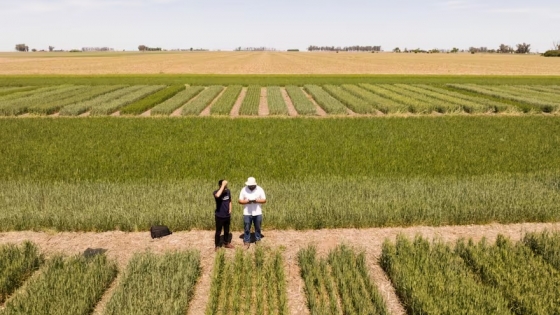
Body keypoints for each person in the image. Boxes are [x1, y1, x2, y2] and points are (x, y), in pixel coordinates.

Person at [238, 177, 266, 248]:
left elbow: (264, 200)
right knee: (247, 227)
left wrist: (257, 201)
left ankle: (258, 239)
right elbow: (240, 201)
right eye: (249, 185)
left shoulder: (260, 189)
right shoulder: (243, 190)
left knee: (258, 227)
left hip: (257, 212)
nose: (250, 186)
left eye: (252, 185)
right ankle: (247, 241)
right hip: (247, 212)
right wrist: (246, 201)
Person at [214, 179, 233, 251]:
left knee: (226, 230)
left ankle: (226, 243)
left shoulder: (228, 191)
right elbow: (218, 195)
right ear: (220, 186)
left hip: (227, 215)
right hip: (219, 216)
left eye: (226, 186)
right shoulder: (216, 192)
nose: (225, 187)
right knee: (218, 231)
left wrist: (230, 209)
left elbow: (230, 201)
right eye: (224, 186)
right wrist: (223, 185)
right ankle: (217, 245)